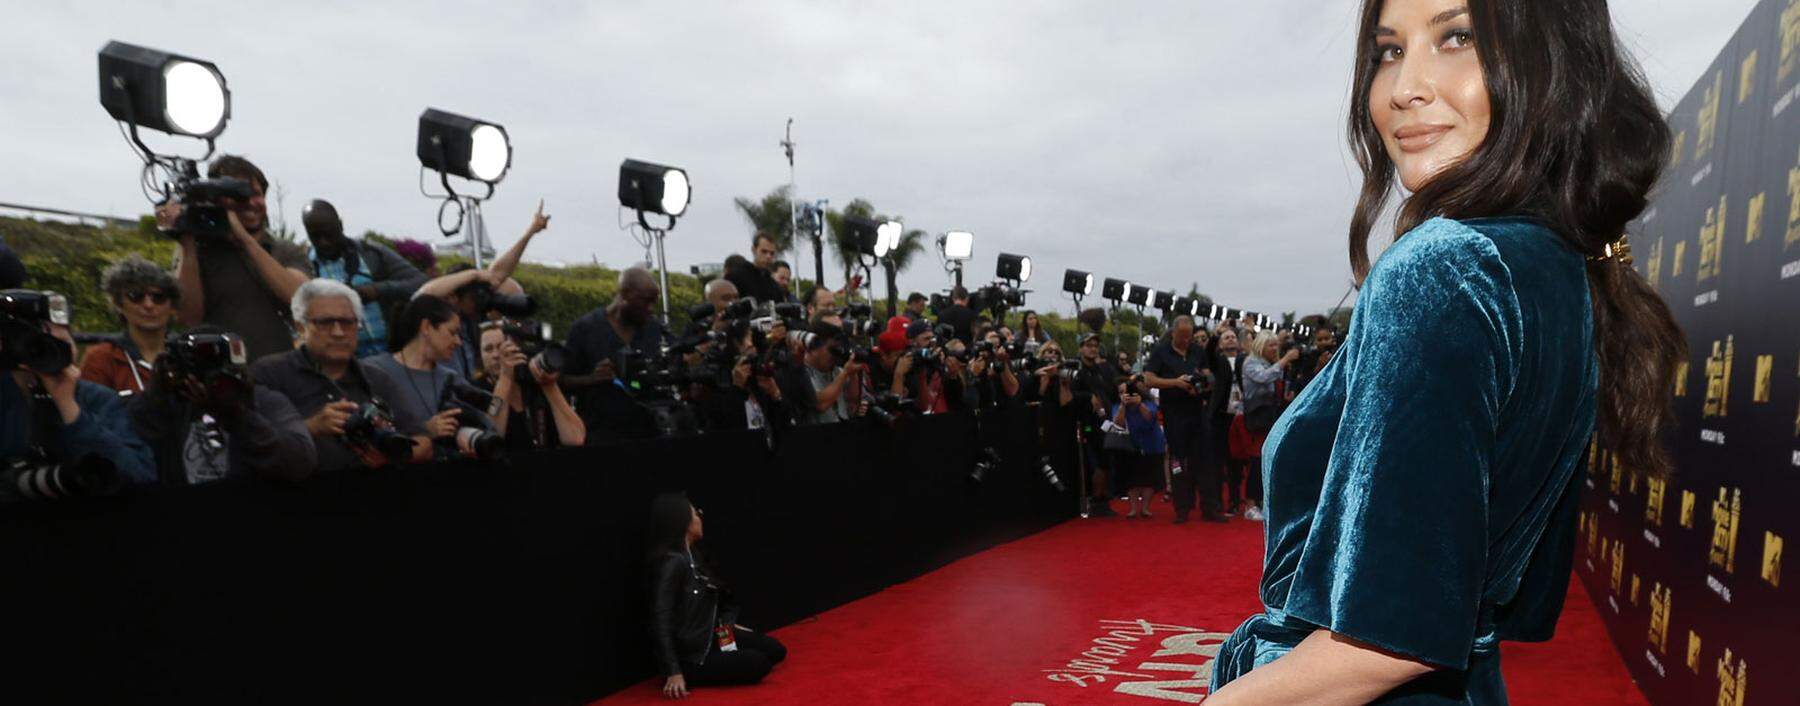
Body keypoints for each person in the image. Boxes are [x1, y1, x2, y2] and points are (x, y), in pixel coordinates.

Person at [1208, 0, 1684, 702]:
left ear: (1549, 61)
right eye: (1389, 51)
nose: (1404, 88)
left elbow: (1388, 638)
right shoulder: (1556, 264)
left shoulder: (1446, 267)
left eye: (1458, 37)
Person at [251, 279, 420, 473]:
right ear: (300, 328)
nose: (339, 332)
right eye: (325, 323)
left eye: (348, 322)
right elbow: (252, 444)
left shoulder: (378, 379)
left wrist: (389, 455)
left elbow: (422, 441)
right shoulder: (270, 373)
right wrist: (310, 429)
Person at [161, 154, 313, 361]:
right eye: (238, 197)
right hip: (223, 372)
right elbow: (188, 317)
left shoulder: (284, 250)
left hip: (281, 370)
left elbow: (301, 298)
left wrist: (243, 238)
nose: (250, 203)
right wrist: (187, 243)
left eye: (256, 194)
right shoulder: (199, 252)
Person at [2, 307, 156, 497]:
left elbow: (140, 475)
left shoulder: (98, 399)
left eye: (63, 344)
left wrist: (69, 407)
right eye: (39, 348)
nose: (52, 355)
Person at [129, 328, 316, 484]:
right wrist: (155, 396)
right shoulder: (172, 404)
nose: (209, 374)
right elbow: (134, 452)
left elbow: (300, 463)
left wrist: (238, 416)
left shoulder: (264, 401)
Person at [647, 493, 787, 698]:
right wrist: (673, 671)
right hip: (694, 657)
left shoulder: (695, 556)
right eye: (696, 513)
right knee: (759, 664)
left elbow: (724, 600)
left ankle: (726, 656)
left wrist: (727, 624)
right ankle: (694, 672)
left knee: (775, 650)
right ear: (682, 521)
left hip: (713, 637)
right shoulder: (672, 564)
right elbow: (660, 619)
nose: (700, 518)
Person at [411, 201, 550, 378]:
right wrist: (474, 274)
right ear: (453, 297)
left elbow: (498, 275)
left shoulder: (467, 322)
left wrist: (530, 232)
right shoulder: (432, 319)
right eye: (474, 296)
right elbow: (422, 294)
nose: (480, 301)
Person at [365, 295, 497, 462]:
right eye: (452, 332)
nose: (458, 342)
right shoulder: (374, 371)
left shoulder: (451, 378)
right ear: (426, 327)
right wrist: (426, 431)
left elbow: (494, 415)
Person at [301, 199, 427, 358]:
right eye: (315, 236)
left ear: (340, 225)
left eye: (328, 233)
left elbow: (421, 283)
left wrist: (376, 291)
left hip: (391, 354)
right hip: (342, 363)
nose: (323, 242)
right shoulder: (305, 267)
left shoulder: (371, 253)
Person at [560, 267, 667, 441]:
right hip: (601, 435)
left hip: (648, 431)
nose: (650, 308)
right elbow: (561, 380)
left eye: (654, 302)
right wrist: (592, 379)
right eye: (646, 301)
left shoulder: (653, 328)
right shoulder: (585, 329)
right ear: (624, 294)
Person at [1143, 315, 1222, 524]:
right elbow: (1148, 378)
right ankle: (1182, 508)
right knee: (1178, 460)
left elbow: (1207, 374)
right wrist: (1175, 383)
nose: (1186, 340)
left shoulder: (1197, 350)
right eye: (1182, 336)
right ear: (1173, 333)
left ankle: (1210, 507)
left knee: (1205, 459)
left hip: (1197, 410)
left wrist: (1203, 384)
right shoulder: (1160, 351)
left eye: (1189, 336)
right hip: (1174, 413)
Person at [80, 255, 180, 395]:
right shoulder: (101, 358)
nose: (148, 305)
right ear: (119, 304)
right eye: (136, 296)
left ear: (172, 306)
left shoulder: (188, 354)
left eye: (158, 297)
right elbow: (94, 413)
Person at [476, 324, 586, 449]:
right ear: (480, 356)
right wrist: (506, 378)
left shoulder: (532, 382)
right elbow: (492, 433)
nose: (496, 355)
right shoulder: (477, 389)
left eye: (502, 347)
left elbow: (575, 438)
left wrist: (549, 384)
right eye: (488, 349)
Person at [1229, 331, 1297, 521]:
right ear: (1261, 346)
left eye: (1277, 345)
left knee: (1267, 460)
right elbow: (1264, 377)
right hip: (1252, 419)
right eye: (1271, 345)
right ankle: (1250, 504)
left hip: (1269, 417)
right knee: (1255, 460)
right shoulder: (1251, 362)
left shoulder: (1270, 363)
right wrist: (1284, 361)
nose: (1275, 349)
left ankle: (1260, 501)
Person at [780, 323, 864, 425]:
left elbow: (852, 402)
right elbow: (820, 404)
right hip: (817, 435)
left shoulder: (837, 371)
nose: (834, 356)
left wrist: (853, 374)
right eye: (831, 350)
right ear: (813, 347)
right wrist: (845, 373)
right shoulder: (801, 373)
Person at [1110, 376, 1165, 519]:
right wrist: (1123, 405)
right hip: (1130, 445)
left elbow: (1150, 417)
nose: (1125, 395)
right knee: (1132, 478)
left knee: (1149, 478)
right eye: (1121, 392)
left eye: (1127, 392)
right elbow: (1118, 423)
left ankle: (1145, 507)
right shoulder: (1116, 405)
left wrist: (1139, 404)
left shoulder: (1148, 402)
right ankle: (1133, 508)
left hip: (1151, 444)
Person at [724, 233, 786, 305]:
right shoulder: (736, 276)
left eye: (772, 253)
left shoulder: (774, 286)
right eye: (764, 251)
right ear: (754, 250)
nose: (768, 256)